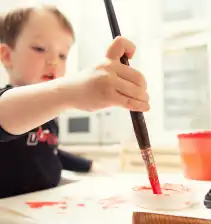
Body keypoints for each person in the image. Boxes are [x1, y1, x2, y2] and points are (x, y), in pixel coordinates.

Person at [0, 5, 149, 198]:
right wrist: (72, 91)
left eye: (63, 55)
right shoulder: (12, 105)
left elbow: (49, 152)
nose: (54, 61)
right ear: (7, 56)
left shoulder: (50, 114)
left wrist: (89, 165)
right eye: (39, 49)